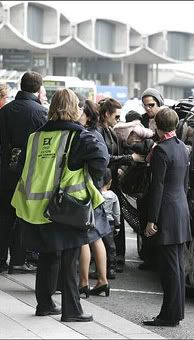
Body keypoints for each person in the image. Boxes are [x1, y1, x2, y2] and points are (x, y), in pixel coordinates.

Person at [11, 88, 109, 322]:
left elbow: (21, 165)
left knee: (48, 255)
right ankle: (72, 310)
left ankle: (44, 304)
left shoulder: (35, 137)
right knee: (69, 258)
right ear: (75, 109)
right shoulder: (79, 136)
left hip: (35, 208)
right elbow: (101, 159)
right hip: (66, 208)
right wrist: (90, 179)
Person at [142, 107, 191, 327]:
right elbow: (185, 183)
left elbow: (157, 187)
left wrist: (152, 219)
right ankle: (175, 313)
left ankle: (168, 316)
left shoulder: (161, 150)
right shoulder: (182, 147)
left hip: (167, 212)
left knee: (170, 269)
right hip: (180, 209)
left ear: (157, 126)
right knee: (178, 267)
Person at [0, 71, 47, 274]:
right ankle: (19, 259)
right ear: (38, 89)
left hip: (5, 170)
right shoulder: (41, 113)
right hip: (30, 172)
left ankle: (1, 259)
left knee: (4, 215)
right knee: (25, 214)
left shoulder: (6, 110)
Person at [97, 97, 144, 273]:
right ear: (107, 114)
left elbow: (118, 151)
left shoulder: (109, 130)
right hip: (104, 182)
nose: (119, 121)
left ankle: (115, 258)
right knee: (108, 222)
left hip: (112, 181)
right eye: (116, 117)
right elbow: (105, 158)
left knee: (116, 220)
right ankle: (110, 260)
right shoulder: (99, 132)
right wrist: (129, 158)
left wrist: (132, 149)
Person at [78, 99, 111, 297]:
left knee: (83, 237)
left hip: (85, 191)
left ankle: (83, 282)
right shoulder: (97, 134)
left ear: (88, 116)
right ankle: (102, 281)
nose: (77, 116)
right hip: (96, 191)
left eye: (80, 113)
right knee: (96, 236)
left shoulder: (85, 135)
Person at [100, 168, 121, 281]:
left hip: (98, 222)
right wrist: (117, 225)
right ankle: (111, 269)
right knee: (110, 247)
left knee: (97, 247)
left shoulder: (96, 193)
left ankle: (98, 270)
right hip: (110, 223)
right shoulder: (113, 196)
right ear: (110, 181)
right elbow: (117, 212)